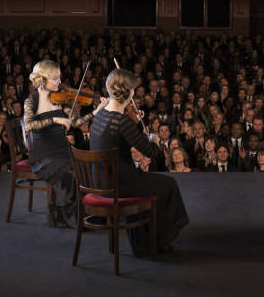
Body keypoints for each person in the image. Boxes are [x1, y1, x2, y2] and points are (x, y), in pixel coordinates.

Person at [90, 68, 189, 256]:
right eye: (133, 89)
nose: (135, 92)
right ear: (129, 92)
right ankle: (160, 239)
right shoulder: (122, 121)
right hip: (119, 183)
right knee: (168, 184)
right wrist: (156, 140)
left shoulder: (101, 114)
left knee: (152, 184)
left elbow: (120, 138)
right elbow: (152, 152)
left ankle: (146, 243)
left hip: (99, 181)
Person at [24, 60, 108, 228]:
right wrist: (54, 119)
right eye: (55, 78)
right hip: (43, 154)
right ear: (43, 79)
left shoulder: (59, 100)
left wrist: (96, 111)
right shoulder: (31, 101)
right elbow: (29, 125)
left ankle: (86, 213)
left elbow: (75, 122)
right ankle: (75, 218)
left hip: (62, 150)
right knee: (70, 173)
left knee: (85, 168)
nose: (60, 82)